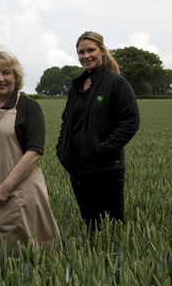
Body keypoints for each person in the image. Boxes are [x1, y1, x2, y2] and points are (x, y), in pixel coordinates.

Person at [0, 45, 58, 254]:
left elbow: (34, 152)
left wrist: (6, 188)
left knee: (30, 256)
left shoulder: (29, 107)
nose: (0, 78)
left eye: (6, 73)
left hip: (21, 196)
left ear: (16, 77)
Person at [57, 31, 139, 229]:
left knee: (113, 229)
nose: (86, 56)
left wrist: (101, 149)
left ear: (102, 51)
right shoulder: (76, 86)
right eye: (81, 52)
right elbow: (66, 121)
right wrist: (62, 150)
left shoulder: (116, 83)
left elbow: (130, 122)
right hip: (79, 170)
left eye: (90, 50)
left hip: (107, 170)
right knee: (91, 227)